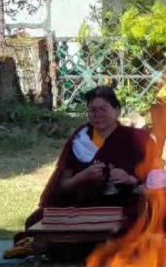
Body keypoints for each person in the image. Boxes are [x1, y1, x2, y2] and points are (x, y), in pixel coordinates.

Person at [23, 85, 157, 232]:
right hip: (85, 205)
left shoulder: (136, 139)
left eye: (103, 109)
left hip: (124, 203)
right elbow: (62, 186)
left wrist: (130, 180)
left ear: (117, 110)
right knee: (35, 221)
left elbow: (157, 180)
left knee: (141, 220)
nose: (97, 114)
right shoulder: (79, 140)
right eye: (92, 110)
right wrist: (82, 176)